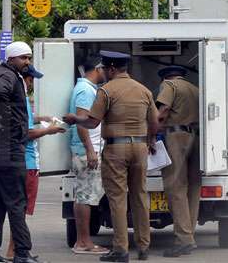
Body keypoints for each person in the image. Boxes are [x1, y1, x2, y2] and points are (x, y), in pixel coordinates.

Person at [63, 51, 159, 263]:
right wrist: (150, 140)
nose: (104, 73)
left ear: (113, 69)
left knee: (118, 199)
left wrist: (74, 119)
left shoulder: (106, 91)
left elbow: (92, 122)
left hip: (117, 149)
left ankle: (121, 250)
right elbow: (155, 122)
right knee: (140, 197)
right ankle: (144, 248)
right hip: (140, 147)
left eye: (106, 69)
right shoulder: (143, 90)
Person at [0, 42, 40, 263]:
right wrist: (11, 129)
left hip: (2, 145)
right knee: (17, 200)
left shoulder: (9, 74)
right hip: (7, 147)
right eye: (24, 58)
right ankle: (22, 253)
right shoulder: (6, 76)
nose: (27, 62)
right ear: (13, 58)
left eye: (29, 58)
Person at [5, 65, 66, 260]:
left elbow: (28, 122)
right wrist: (50, 130)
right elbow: (28, 133)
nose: (32, 84)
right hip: (28, 163)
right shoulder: (20, 99)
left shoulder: (22, 101)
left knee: (20, 210)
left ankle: (15, 250)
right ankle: (15, 251)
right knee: (20, 210)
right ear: (23, 79)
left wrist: (42, 118)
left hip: (26, 162)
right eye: (30, 80)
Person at [156, 66, 201, 257]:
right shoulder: (195, 88)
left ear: (166, 76)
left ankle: (184, 239)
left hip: (176, 137)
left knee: (176, 187)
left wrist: (153, 130)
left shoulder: (168, 85)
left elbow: (163, 109)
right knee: (193, 187)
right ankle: (188, 235)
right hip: (196, 137)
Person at [68, 58, 108, 255]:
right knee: (85, 196)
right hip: (85, 152)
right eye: (105, 69)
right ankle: (83, 242)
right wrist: (90, 150)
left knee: (86, 195)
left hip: (86, 150)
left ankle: (83, 241)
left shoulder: (87, 88)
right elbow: (81, 122)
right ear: (98, 68)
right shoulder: (85, 91)